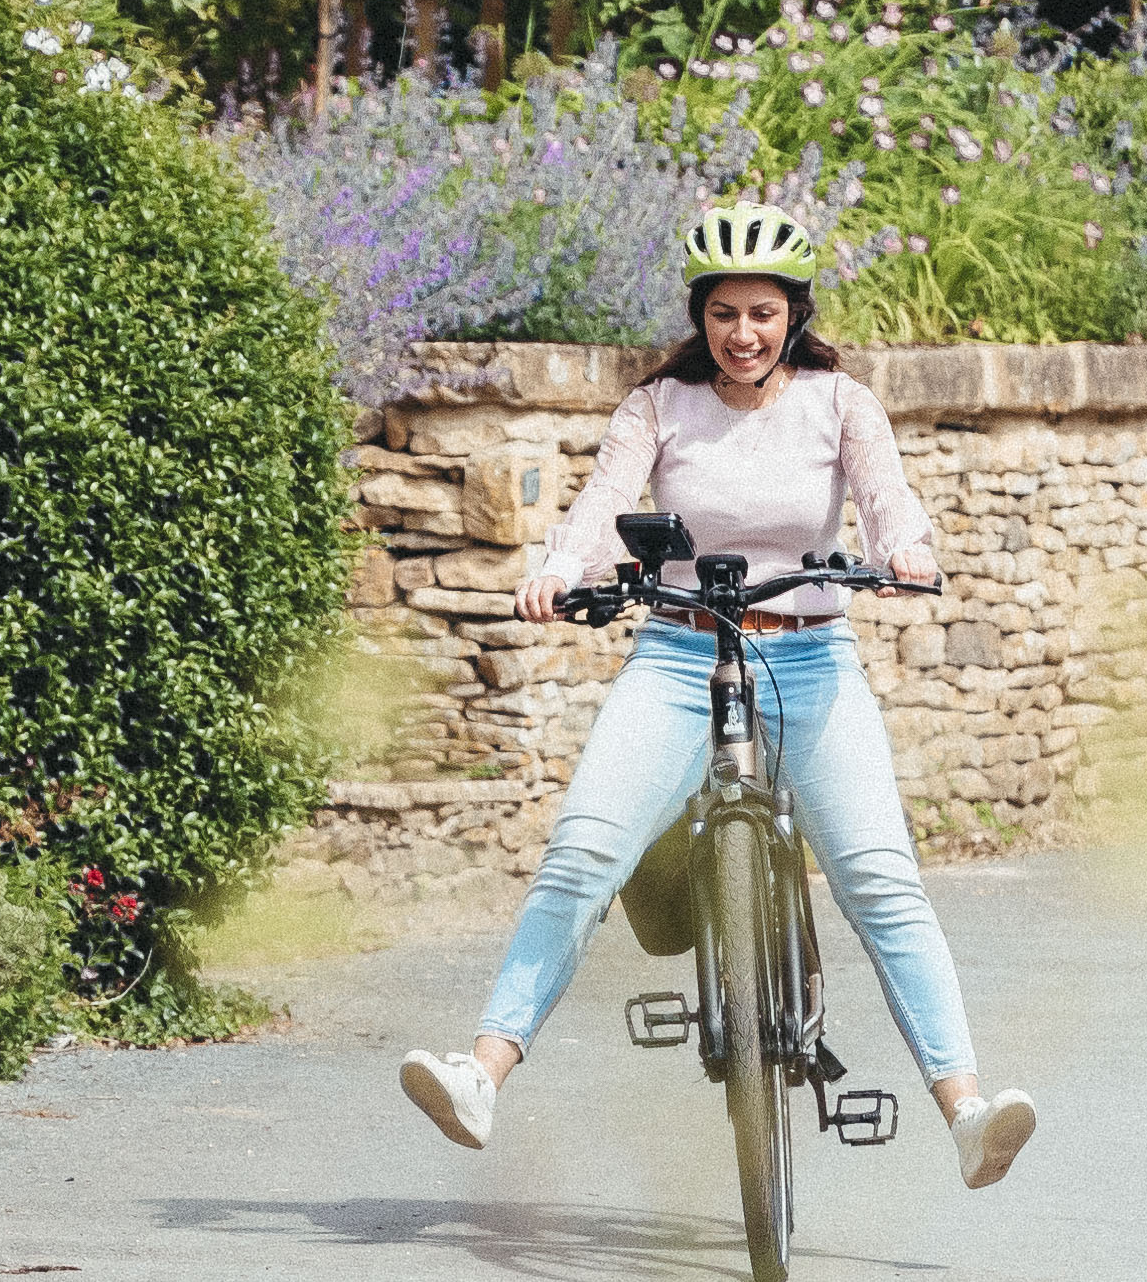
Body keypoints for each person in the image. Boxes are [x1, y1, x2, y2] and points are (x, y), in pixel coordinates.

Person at [395, 203, 1041, 1190]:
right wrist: (561, 568)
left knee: (880, 878)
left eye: (764, 312)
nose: (744, 332)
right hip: (677, 655)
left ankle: (966, 1112)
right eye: (725, 312)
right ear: (700, 314)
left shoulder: (839, 403)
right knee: (582, 851)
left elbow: (887, 501)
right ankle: (481, 1073)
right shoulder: (656, 407)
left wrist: (906, 549)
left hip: (812, 659)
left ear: (794, 313)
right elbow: (604, 509)